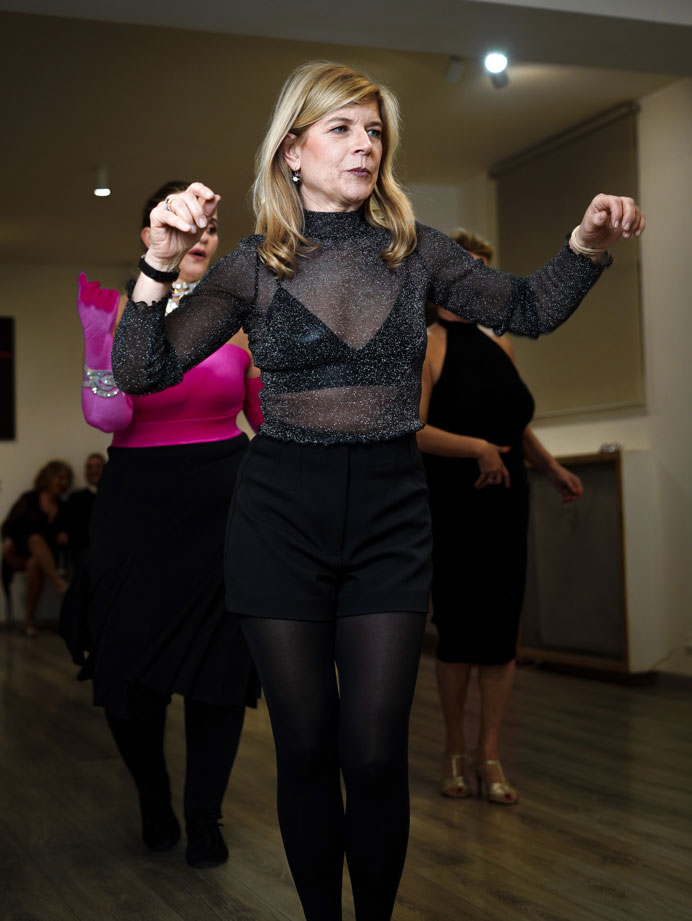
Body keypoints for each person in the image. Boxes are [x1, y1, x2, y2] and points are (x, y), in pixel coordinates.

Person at [110, 62, 644, 921]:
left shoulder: (416, 250)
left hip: (391, 516)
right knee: (307, 747)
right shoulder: (253, 265)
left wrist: (585, 243)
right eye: (342, 128)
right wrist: (159, 266)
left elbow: (528, 308)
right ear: (292, 151)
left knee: (373, 750)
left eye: (375, 130)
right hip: (280, 518)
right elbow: (141, 371)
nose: (365, 143)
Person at [60, 181, 263, 869]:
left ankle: (205, 815)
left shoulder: (238, 320)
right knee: (127, 668)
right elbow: (107, 416)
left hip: (222, 503)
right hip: (137, 506)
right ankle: (154, 796)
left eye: (210, 223)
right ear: (150, 233)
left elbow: (264, 418)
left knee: (219, 669)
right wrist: (98, 346)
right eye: (180, 219)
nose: (199, 232)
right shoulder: (121, 312)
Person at [418, 229, 584, 805]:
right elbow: (412, 430)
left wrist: (550, 466)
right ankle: (453, 749)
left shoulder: (501, 344)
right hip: (454, 505)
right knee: (459, 634)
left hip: (507, 503)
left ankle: (489, 753)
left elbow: (514, 424)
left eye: (482, 271)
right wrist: (477, 449)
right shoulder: (426, 344)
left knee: (501, 632)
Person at [1, 460, 73, 635]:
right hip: (18, 554)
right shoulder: (30, 499)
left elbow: (67, 533)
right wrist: (8, 540)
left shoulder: (62, 507)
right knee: (35, 539)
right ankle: (59, 583)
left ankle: (29, 620)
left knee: (34, 563)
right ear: (49, 477)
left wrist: (64, 536)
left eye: (67, 479)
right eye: (60, 477)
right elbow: (8, 525)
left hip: (44, 558)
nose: (64, 482)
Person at [64, 452, 105, 567]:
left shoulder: (116, 496)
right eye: (90, 467)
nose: (94, 471)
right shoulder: (75, 498)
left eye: (98, 466)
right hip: (85, 550)